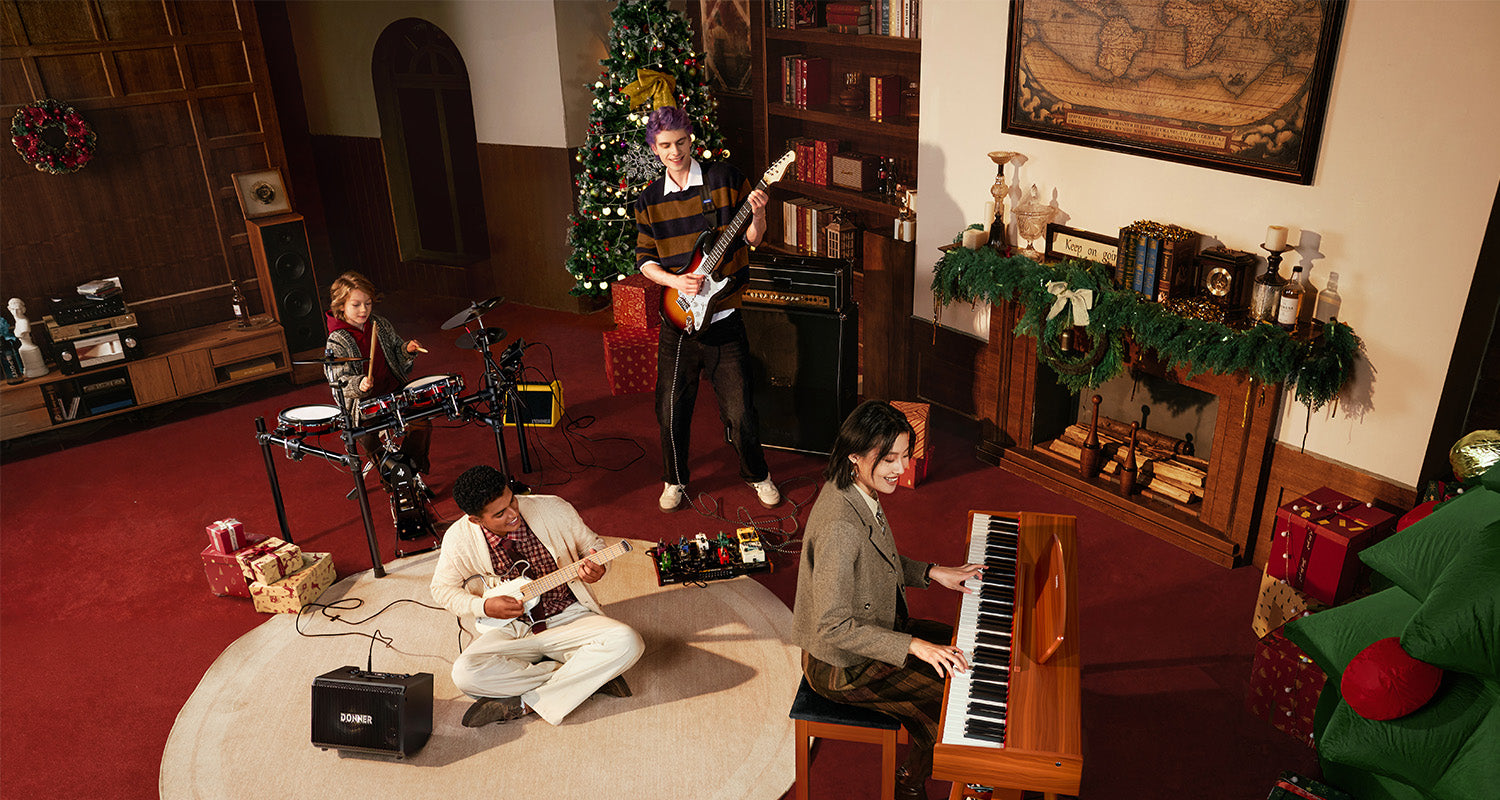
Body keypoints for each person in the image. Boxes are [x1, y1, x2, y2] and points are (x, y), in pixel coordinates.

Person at [791, 400, 985, 799]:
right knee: (954, 695)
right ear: (855, 456)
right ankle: (910, 784)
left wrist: (933, 572)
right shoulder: (840, 527)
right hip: (841, 666)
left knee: (964, 651)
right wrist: (914, 646)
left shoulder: (855, 488)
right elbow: (831, 625)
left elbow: (877, 559)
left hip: (875, 630)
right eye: (890, 459)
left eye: (905, 455)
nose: (902, 468)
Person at [634, 105, 781, 513]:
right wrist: (675, 281)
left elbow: (752, 238)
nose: (675, 152)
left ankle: (757, 474)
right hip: (677, 319)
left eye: (681, 142)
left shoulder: (726, 179)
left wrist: (759, 213)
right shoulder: (648, 200)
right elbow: (644, 260)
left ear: (691, 139)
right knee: (670, 409)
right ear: (654, 148)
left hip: (724, 320)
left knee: (741, 411)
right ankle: (674, 479)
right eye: (665, 145)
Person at [431, 465, 645, 727]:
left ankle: (527, 703)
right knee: (465, 674)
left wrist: (598, 567)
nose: (513, 514)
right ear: (476, 520)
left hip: (569, 615)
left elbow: (594, 546)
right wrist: (483, 606)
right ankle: (583, 675)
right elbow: (441, 589)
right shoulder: (459, 538)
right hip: (511, 629)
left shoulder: (553, 508)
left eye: (512, 501)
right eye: (500, 514)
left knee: (628, 642)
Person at [323, 271, 430, 484]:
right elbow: (339, 381)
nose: (364, 310)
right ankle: (391, 479)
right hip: (363, 404)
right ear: (341, 306)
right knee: (367, 437)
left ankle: (409, 467)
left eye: (368, 303)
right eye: (356, 305)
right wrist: (359, 384)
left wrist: (406, 350)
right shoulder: (336, 341)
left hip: (393, 391)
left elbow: (397, 353)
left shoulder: (379, 324)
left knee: (422, 420)